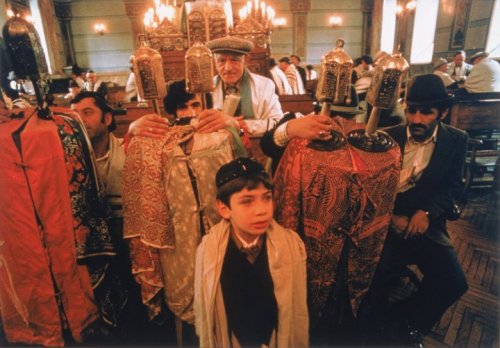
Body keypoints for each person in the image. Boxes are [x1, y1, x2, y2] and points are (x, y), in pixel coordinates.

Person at [122, 80, 246, 346]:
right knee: (187, 310)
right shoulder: (157, 144)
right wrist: (133, 130)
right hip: (178, 242)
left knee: (226, 302)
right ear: (172, 111)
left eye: (195, 105)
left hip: (219, 231)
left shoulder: (220, 136)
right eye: (182, 107)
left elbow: (244, 164)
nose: (190, 113)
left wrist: (232, 126)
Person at [367, 74, 469, 346]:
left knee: (454, 283)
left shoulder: (457, 140)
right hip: (383, 227)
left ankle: (408, 322)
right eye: (411, 110)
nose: (416, 119)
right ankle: (376, 330)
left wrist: (427, 211)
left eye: (426, 112)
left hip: (425, 225)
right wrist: (389, 219)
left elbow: (453, 189)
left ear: (443, 112)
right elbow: (367, 191)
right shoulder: (387, 138)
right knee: (370, 279)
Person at [194, 157, 308, 348]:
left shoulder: (291, 246)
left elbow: (297, 311)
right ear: (224, 208)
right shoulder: (208, 251)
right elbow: (204, 311)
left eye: (267, 198)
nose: (261, 210)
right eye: (247, 202)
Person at [206, 36, 284, 136]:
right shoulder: (207, 88)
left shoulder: (265, 86)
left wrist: (238, 124)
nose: (228, 68)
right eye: (221, 60)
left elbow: (277, 122)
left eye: (234, 60)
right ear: (214, 62)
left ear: (246, 60)